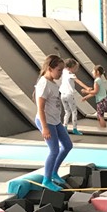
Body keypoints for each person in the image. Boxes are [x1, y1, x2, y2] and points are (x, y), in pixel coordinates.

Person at [34, 55, 73, 191]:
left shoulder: (53, 82)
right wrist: (45, 127)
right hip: (46, 121)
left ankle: (54, 172)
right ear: (50, 69)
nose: (61, 73)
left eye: (62, 70)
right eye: (59, 70)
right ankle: (47, 180)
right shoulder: (44, 84)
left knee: (67, 145)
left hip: (55, 121)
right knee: (54, 150)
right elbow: (40, 108)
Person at [59, 59, 90, 136]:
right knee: (74, 111)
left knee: (67, 111)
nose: (76, 70)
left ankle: (64, 127)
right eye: (75, 68)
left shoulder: (63, 72)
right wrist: (87, 88)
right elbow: (78, 81)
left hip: (62, 95)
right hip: (69, 95)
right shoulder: (71, 74)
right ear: (70, 67)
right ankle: (74, 129)